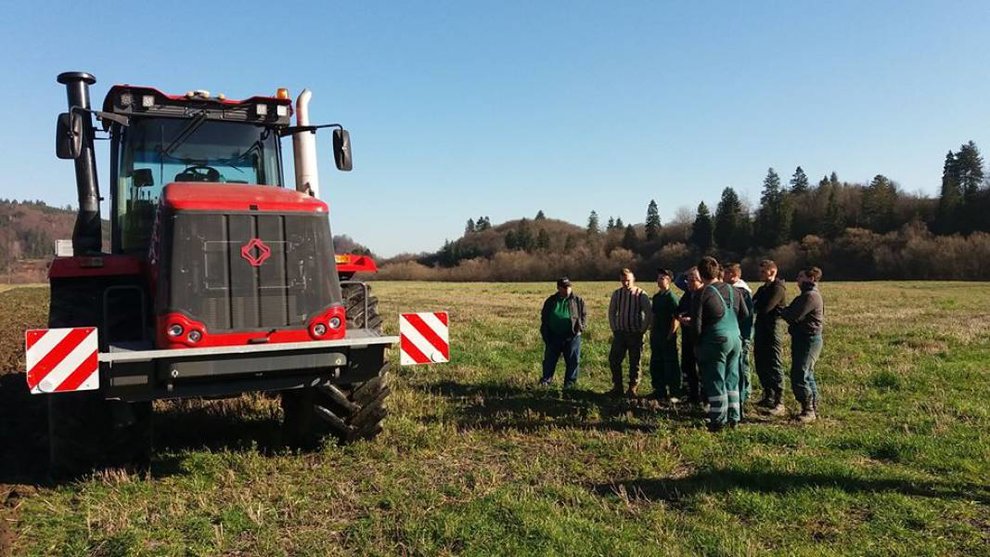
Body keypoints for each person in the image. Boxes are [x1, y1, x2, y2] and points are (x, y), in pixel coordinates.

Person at [691, 256, 748, 431]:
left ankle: (718, 420)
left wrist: (696, 344)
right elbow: (745, 314)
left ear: (701, 274)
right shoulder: (734, 290)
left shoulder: (702, 293)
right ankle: (734, 417)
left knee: (715, 378)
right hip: (736, 338)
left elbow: (696, 324)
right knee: (732, 377)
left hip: (716, 340)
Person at [780, 266, 825, 423]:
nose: (797, 279)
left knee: (800, 374)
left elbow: (793, 316)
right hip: (803, 338)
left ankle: (809, 410)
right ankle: (812, 407)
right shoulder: (807, 295)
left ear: (811, 278)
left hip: (808, 339)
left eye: (801, 276)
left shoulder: (810, 296)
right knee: (807, 373)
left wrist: (782, 312)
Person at [607, 268, 652, 397]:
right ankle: (617, 386)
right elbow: (611, 312)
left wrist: (642, 330)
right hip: (620, 333)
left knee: (635, 362)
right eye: (623, 281)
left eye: (628, 280)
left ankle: (633, 387)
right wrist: (615, 328)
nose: (625, 283)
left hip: (635, 334)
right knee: (614, 360)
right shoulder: (617, 294)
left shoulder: (641, 294)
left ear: (633, 279)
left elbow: (648, 314)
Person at [752, 259, 787, 416]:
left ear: (772, 272)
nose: (760, 274)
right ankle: (768, 395)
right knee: (761, 361)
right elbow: (753, 304)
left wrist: (757, 306)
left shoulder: (778, 288)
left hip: (773, 328)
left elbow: (766, 307)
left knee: (774, 362)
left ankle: (779, 400)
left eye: (763, 272)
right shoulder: (762, 289)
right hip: (761, 327)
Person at [539, 277, 588, 388]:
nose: (567, 290)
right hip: (553, 336)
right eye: (564, 287)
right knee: (549, 361)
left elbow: (584, 315)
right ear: (558, 288)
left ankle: (569, 386)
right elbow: (544, 316)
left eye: (569, 287)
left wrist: (580, 328)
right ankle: (546, 382)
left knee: (573, 361)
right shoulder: (551, 300)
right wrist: (545, 332)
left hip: (572, 336)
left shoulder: (577, 300)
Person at [723, 263, 755, 418]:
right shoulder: (734, 290)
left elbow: (746, 316)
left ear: (734, 275)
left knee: (741, 366)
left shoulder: (741, 292)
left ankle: (744, 394)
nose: (723, 275)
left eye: (726, 273)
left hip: (741, 334)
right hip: (737, 334)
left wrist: (744, 336)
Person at [648, 268, 680, 402]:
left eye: (662, 278)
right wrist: (651, 330)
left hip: (667, 336)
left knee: (670, 364)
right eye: (658, 278)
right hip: (657, 335)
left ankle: (674, 392)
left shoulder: (671, 298)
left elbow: (676, 318)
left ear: (669, 281)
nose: (659, 280)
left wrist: (670, 334)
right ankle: (659, 390)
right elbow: (654, 315)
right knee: (656, 362)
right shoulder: (656, 297)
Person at [675, 268, 702, 405]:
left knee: (700, 368)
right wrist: (679, 316)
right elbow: (679, 309)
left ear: (700, 281)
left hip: (700, 337)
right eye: (688, 280)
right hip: (687, 335)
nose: (688, 283)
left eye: (692, 281)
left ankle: (702, 396)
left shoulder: (704, 295)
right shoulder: (687, 294)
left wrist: (693, 320)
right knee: (687, 365)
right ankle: (690, 394)